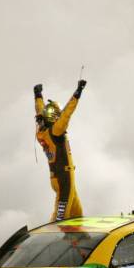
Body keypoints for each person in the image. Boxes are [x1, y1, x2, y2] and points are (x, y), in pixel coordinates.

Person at [34, 80, 86, 221]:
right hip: (64, 180)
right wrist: (77, 93)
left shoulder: (41, 132)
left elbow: (40, 112)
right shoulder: (56, 131)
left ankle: (78, 239)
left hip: (57, 178)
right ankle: (51, 239)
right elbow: (67, 114)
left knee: (77, 215)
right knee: (59, 220)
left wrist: (38, 95)